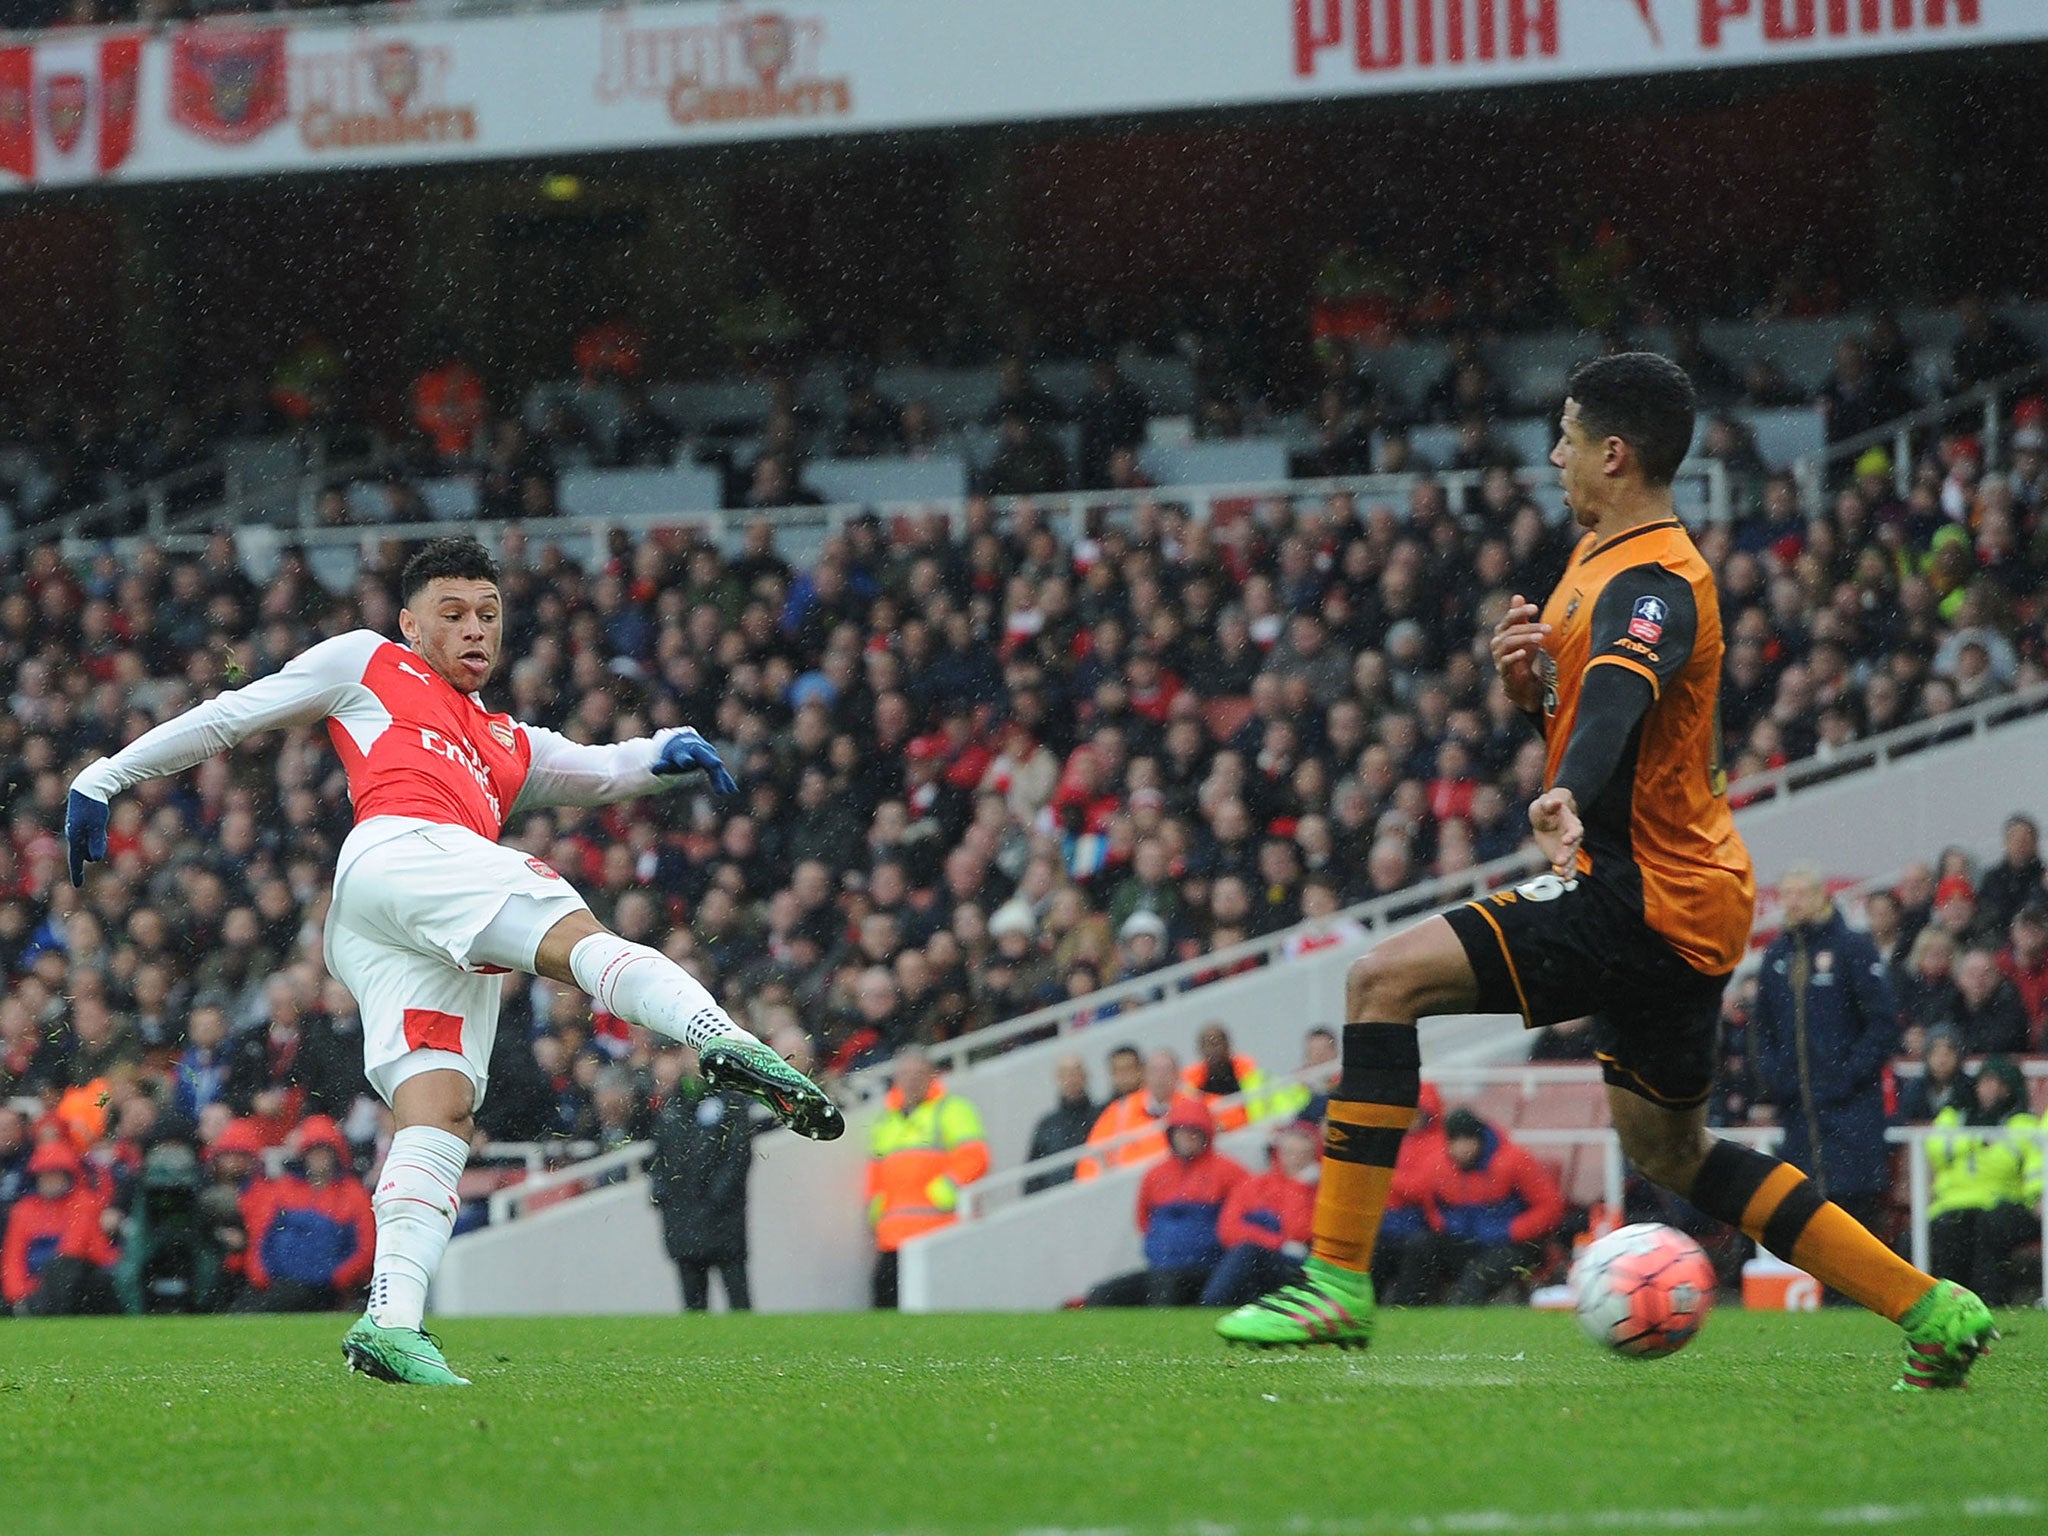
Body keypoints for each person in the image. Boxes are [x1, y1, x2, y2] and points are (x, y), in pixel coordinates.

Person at [1218, 353, 1995, 1390]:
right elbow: (1597, 711)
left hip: (1642, 895)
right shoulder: (1595, 559)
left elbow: (1622, 701)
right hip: (1689, 901)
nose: (1553, 456)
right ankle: (1930, 1307)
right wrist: (1527, 694)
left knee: (1379, 981)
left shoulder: (1654, 580)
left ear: (1613, 453)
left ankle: (1334, 1286)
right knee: (1673, 1155)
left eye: (1567, 438)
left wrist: (1565, 789)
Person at [65, 536, 841, 1386]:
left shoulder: (506, 741)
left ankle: (391, 1320)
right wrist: (105, 775)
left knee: (439, 1112)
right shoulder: (369, 662)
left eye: (489, 615)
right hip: (403, 848)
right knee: (583, 941)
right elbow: (232, 711)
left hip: (390, 924)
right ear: (409, 622)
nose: (476, 630)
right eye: (454, 613)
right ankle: (720, 1036)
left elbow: (602, 770)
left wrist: (666, 751)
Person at [1750, 865, 1899, 1232]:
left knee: (1854, 1211)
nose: (1794, 902)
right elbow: (1762, 1029)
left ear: (1822, 896)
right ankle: (1820, 1290)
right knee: (1806, 1212)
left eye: (1802, 893)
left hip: (1850, 1111)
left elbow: (1882, 1024)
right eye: (1787, 894)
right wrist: (1776, 1076)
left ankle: (1859, 1290)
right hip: (1797, 1111)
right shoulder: (1776, 955)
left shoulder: (1853, 948)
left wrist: (1846, 1076)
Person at [1385, 1107, 1564, 1306]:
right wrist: (1449, 1227)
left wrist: (1511, 1230)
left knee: (1478, 1275)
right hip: (1468, 1242)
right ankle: (1410, 1310)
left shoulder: (1515, 1160)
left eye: (1467, 1140)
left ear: (1479, 1139)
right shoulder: (1437, 1166)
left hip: (1514, 1245)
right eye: (1455, 1141)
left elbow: (1550, 1207)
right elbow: (1428, 1204)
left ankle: (1458, 1317)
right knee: (1419, 1246)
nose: (1461, 1148)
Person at [1084, 1098, 1246, 1307]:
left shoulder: (1229, 1172)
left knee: (1167, 1287)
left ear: (1206, 1134)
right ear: (1171, 1134)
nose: (1187, 1138)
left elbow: (1239, 1224)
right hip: (1160, 1269)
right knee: (1101, 1295)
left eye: (1193, 1131)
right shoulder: (1155, 1174)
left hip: (1207, 1270)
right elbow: (1143, 1221)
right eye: (1182, 1131)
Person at [865, 1050, 988, 1310]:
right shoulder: (886, 1120)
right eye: (905, 1074)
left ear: (931, 1076)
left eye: (918, 1074)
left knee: (935, 1310)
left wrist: (945, 1190)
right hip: (893, 1236)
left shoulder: (952, 1109)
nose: (911, 1081)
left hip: (937, 1231)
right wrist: (876, 1209)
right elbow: (877, 1172)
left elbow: (975, 1157)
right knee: (885, 1308)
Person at [1925, 1058, 2041, 1307]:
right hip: (1951, 1204)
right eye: (1984, 1082)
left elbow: (2004, 1164)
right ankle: (1946, 1306)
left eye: (1997, 1084)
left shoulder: (2024, 1123)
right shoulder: (1955, 1115)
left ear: (2010, 1088)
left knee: (1988, 1229)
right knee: (1944, 1231)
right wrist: (1977, 1141)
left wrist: (1964, 1148)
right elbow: (1935, 1148)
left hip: (1999, 1201)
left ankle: (1990, 1303)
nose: (1988, 1090)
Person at [648, 1047, 756, 1312]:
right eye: (688, 1054)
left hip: (722, 1217)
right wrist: (662, 1195)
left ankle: (751, 1348)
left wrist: (716, 1196)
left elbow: (738, 1154)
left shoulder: (730, 1101)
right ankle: (696, 1351)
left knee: (737, 1294)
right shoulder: (672, 1104)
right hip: (682, 1217)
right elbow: (659, 1157)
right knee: (692, 1301)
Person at [236, 1115, 376, 1313]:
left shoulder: (354, 1195)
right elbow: (260, 1236)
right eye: (313, 1152)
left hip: (324, 1289)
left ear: (336, 1154)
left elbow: (365, 1248)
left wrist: (337, 1278)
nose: (318, 1159)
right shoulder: (282, 1189)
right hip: (278, 1283)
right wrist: (260, 1275)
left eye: (324, 1152)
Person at [1199, 1120, 1321, 1307]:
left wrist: (1300, 1186)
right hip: (1264, 1259)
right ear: (1278, 1154)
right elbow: (1228, 1231)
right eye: (1289, 1153)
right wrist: (1277, 1242)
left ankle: (1212, 1305)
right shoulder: (1254, 1185)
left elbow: (1300, 1234)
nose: (1296, 1159)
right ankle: (1215, 1304)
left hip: (1299, 1266)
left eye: (1303, 1154)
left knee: (1248, 1255)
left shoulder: (1318, 1191)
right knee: (1246, 1254)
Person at [3, 1139, 121, 1316]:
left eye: (55, 1174)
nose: (49, 1180)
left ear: (68, 1176)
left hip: (81, 1274)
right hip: (37, 1285)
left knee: (66, 1267)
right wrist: (19, 1294)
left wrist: (39, 1291)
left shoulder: (84, 1202)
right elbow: (13, 1257)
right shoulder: (24, 1210)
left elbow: (73, 1249)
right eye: (45, 1175)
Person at [1077, 1048, 1193, 1179]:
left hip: (1186, 1180)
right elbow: (1090, 1162)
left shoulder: (1193, 1104)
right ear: (1145, 1074)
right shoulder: (1119, 1111)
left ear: (1178, 1074)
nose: (1160, 1077)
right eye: (1155, 1071)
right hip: (1131, 1187)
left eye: (1166, 1071)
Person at [1024, 1054, 1100, 1194]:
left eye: (1075, 1071)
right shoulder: (1046, 1126)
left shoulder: (1103, 1115)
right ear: (1058, 1079)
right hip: (1059, 1201)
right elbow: (1033, 1178)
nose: (1071, 1079)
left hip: (1098, 1192)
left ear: (1085, 1075)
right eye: (1065, 1073)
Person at [1897, 1026, 1972, 1125]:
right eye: (1936, 1052)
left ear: (1958, 1056)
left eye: (1948, 1053)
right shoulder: (1914, 1089)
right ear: (1927, 1056)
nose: (1942, 1060)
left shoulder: (1969, 1089)